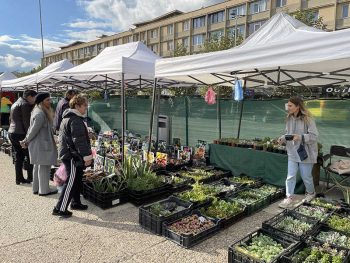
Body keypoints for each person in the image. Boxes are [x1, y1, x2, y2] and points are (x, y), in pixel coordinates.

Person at [53, 94, 92, 218]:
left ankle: (75, 202)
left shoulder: (70, 117)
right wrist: (87, 157)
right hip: (72, 156)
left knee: (76, 179)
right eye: (84, 105)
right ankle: (60, 208)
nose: (86, 108)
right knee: (71, 181)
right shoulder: (75, 119)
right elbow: (79, 140)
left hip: (70, 154)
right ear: (77, 105)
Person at [278, 97, 319, 209]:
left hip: (306, 153)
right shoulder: (289, 118)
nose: (288, 108)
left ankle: (310, 193)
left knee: (306, 176)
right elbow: (288, 133)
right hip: (292, 152)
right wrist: (282, 138)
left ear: (298, 106)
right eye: (288, 105)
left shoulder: (308, 119)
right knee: (290, 176)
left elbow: (314, 137)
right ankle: (289, 197)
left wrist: (300, 137)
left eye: (290, 105)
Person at [20, 93, 58, 196]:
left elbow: (31, 129)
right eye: (47, 100)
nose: (50, 102)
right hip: (41, 145)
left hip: (39, 144)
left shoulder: (37, 111)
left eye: (50, 100)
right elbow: (33, 130)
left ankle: (36, 188)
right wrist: (26, 140)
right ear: (41, 102)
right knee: (44, 168)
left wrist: (26, 140)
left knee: (38, 167)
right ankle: (44, 190)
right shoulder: (40, 113)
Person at [8, 89, 37, 185]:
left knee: (18, 156)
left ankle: (19, 178)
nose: (34, 100)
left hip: (12, 132)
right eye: (34, 98)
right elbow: (26, 122)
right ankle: (30, 178)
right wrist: (29, 136)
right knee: (29, 156)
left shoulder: (16, 102)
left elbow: (10, 119)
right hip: (20, 133)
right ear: (29, 97)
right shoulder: (25, 104)